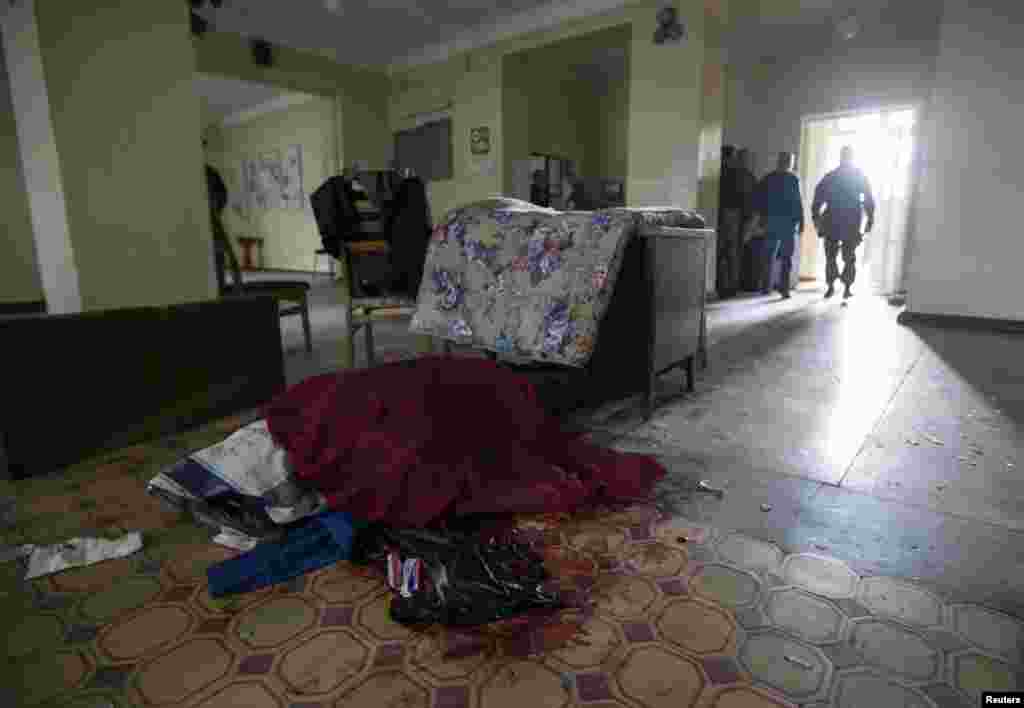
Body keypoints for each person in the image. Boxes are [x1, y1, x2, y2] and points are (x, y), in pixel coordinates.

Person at [811, 145, 875, 299]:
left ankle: (832, 286)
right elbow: (868, 198)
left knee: (832, 255)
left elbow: (817, 199)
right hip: (851, 220)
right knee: (848, 256)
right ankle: (846, 287)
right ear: (851, 157)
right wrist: (870, 217)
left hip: (833, 219)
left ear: (841, 157)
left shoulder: (831, 176)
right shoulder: (858, 175)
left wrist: (816, 218)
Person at [752, 152, 804, 299]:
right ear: (789, 163)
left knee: (768, 255)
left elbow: (758, 200)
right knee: (786, 258)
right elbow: (797, 202)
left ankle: (765, 287)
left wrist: (761, 219)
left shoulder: (768, 179)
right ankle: (784, 289)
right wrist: (801, 222)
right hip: (787, 224)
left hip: (771, 222)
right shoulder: (793, 179)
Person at [718, 147, 756, 297]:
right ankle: (731, 286)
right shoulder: (739, 174)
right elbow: (746, 199)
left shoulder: (722, 171)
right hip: (735, 215)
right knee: (733, 253)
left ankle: (723, 285)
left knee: (723, 252)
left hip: (723, 214)